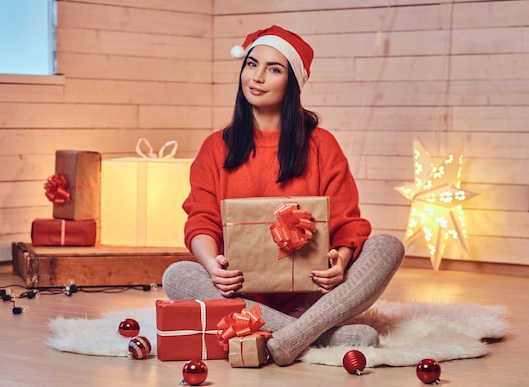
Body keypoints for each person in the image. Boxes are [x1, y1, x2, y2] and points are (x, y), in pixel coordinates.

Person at [162, 25, 405, 366]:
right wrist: (212, 266)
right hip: (240, 293)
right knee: (177, 275)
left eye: (273, 69)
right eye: (251, 64)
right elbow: (201, 219)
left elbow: (348, 222)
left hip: (315, 294)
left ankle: (290, 336)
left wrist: (341, 260)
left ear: (292, 83)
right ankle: (313, 336)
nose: (257, 77)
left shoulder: (322, 145)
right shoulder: (215, 147)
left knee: (387, 247)